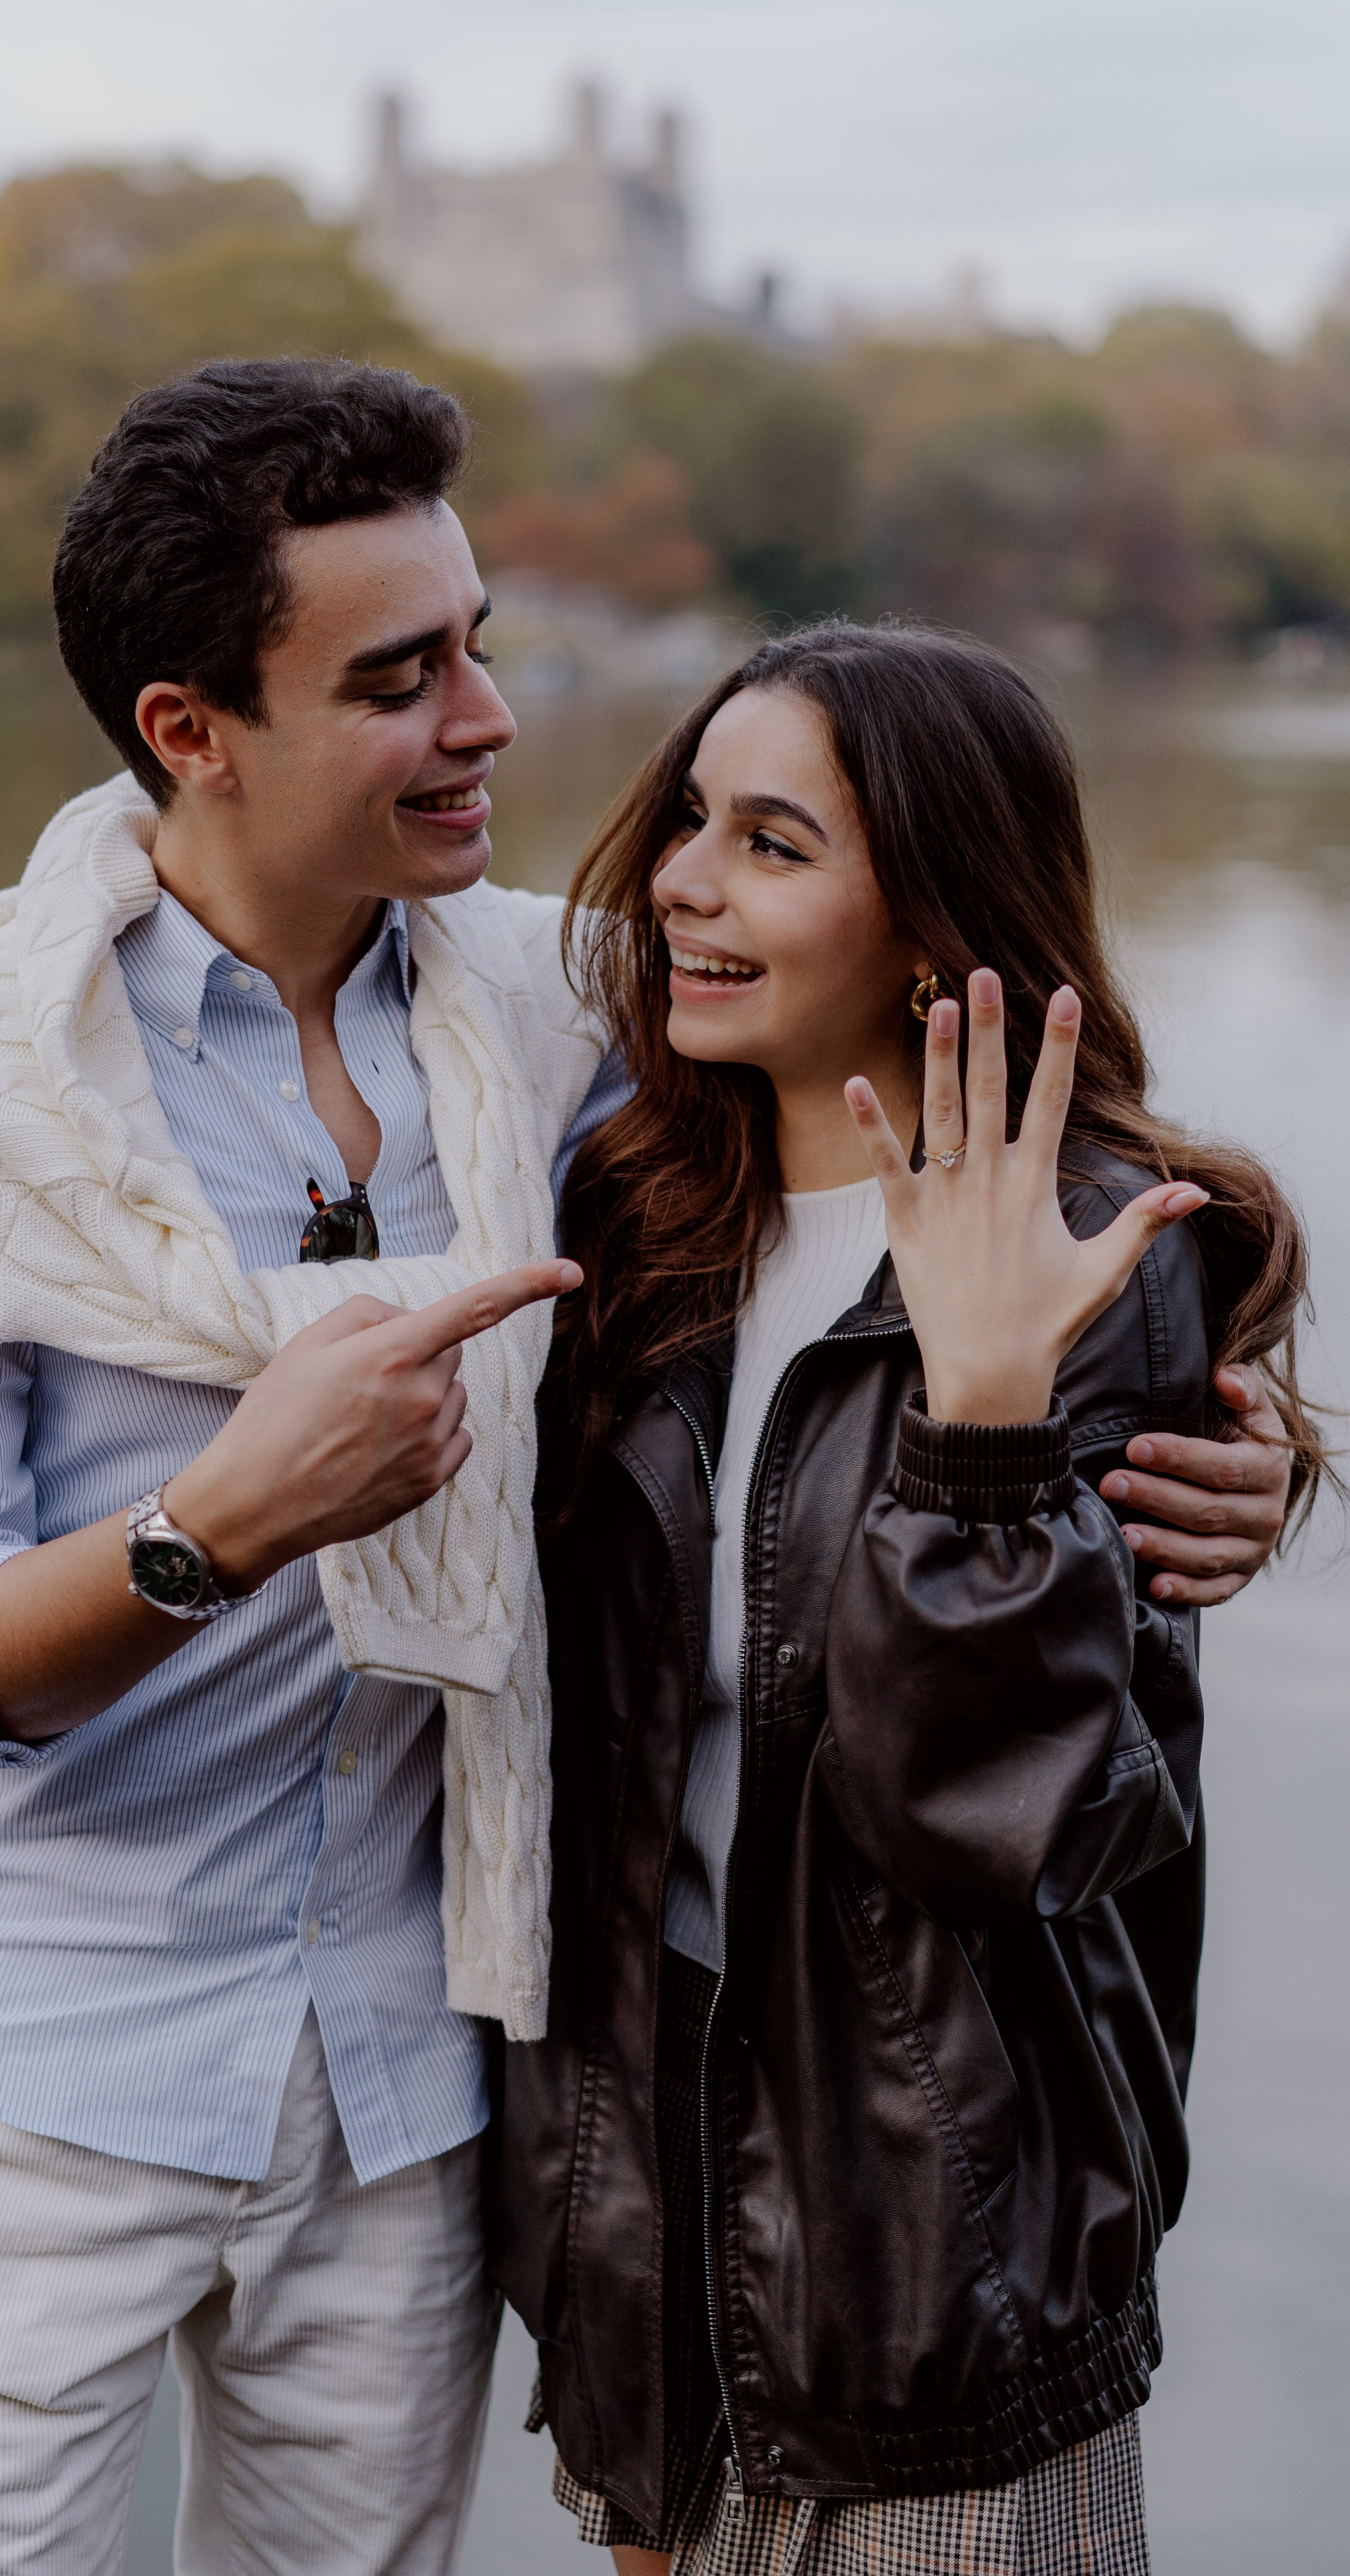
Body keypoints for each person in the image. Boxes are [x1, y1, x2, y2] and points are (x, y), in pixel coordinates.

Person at [0, 364, 1288, 2576]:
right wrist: (219, 1527)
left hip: (421, 2087)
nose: (490, 717)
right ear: (193, 730)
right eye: (402, 677)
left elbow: (966, 1144)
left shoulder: (561, 1025)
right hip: (41, 2085)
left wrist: (1226, 1471)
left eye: (479, 641)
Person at [491, 622, 1334, 2576]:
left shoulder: (1092, 1259)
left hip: (942, 2247)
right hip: (652, 2227)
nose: (687, 880)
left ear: (935, 912)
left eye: (774, 844)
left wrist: (978, 1430)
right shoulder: (630, 1226)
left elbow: (997, 1817)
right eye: (691, 819)